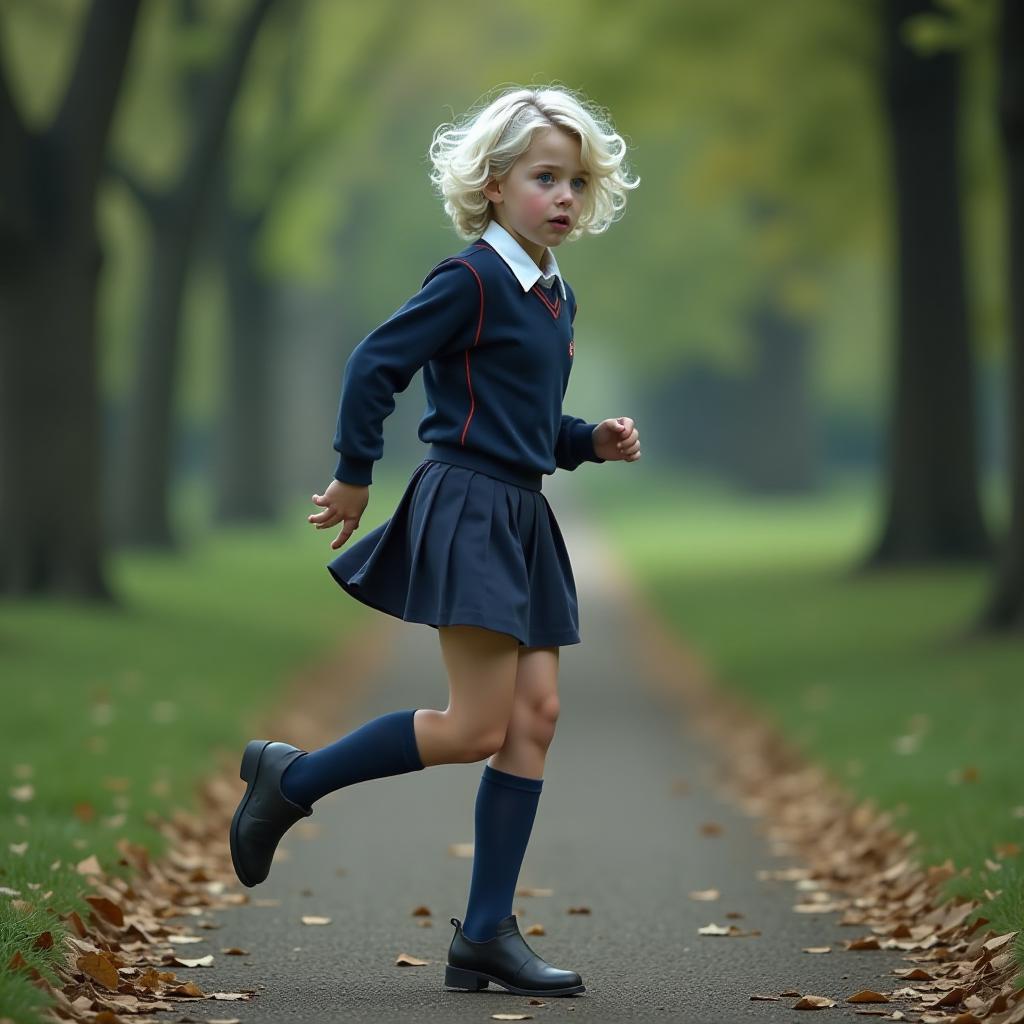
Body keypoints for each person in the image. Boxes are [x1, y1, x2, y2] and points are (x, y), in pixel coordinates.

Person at [229, 83, 641, 998]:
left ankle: (486, 934)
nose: (565, 196)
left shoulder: (550, 294)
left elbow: (516, 419)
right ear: (494, 186)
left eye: (576, 181)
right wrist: (352, 471)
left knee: (534, 719)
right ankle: (290, 784)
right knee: (474, 726)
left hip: (520, 507)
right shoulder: (471, 280)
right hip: (469, 507)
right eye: (545, 177)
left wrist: (585, 441)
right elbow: (376, 364)